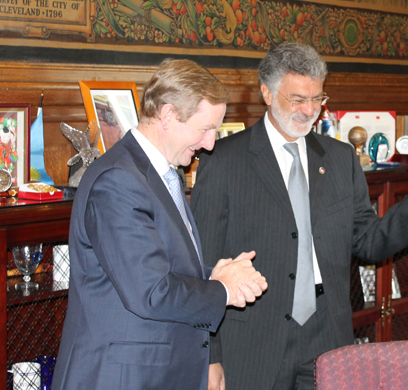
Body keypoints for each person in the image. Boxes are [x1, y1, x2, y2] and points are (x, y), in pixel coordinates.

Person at [191, 42, 408, 390]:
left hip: (327, 334)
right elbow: (203, 267)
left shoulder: (339, 158)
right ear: (267, 93)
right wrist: (211, 357)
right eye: (297, 99)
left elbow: (369, 242)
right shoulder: (224, 160)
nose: (309, 111)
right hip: (252, 340)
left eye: (318, 99)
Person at [52, 59, 267, 390]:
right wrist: (223, 288)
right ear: (168, 116)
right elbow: (150, 291)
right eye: (205, 129)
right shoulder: (118, 180)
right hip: (121, 378)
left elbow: (161, 264)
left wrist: (213, 273)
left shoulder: (164, 174)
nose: (210, 144)